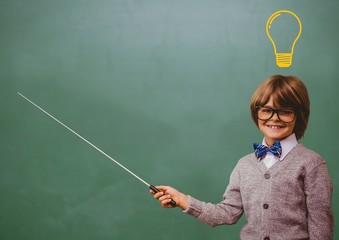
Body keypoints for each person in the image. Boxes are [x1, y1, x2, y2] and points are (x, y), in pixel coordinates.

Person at [150, 75, 334, 240]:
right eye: (267, 110)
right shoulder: (244, 164)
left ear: (299, 116)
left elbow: (321, 226)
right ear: (256, 113)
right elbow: (227, 213)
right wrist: (183, 200)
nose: (274, 118)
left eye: (285, 111)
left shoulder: (312, 163)